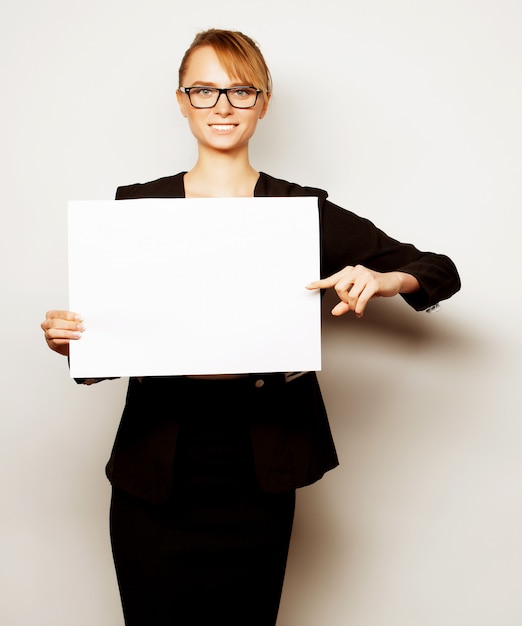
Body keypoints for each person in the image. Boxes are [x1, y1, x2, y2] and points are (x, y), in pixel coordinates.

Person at [41, 28, 461, 626]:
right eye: (205, 91)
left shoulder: (300, 210)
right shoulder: (135, 208)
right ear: (181, 100)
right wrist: (70, 341)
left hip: (259, 464)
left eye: (241, 91)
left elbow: (437, 270)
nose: (223, 107)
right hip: (155, 464)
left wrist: (385, 279)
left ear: (264, 102)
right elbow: (105, 352)